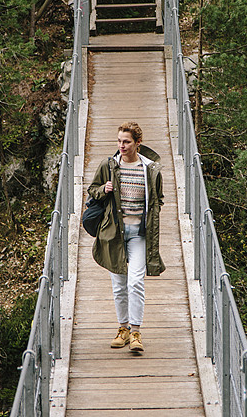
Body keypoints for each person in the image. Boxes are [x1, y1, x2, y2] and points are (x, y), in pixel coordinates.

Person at [87, 121, 165, 353]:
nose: (121, 145)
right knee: (119, 285)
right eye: (119, 141)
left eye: (126, 141)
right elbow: (92, 189)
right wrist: (104, 189)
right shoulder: (108, 166)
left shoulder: (149, 169)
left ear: (137, 143)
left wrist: (152, 215)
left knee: (136, 282)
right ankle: (122, 329)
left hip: (139, 234)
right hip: (115, 234)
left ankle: (136, 332)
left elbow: (158, 199)